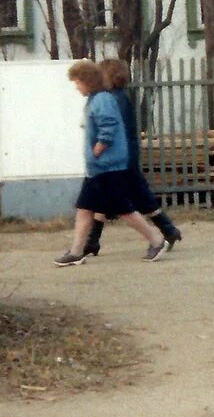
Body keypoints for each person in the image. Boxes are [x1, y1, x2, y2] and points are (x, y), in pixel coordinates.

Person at [54, 60, 168, 266]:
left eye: (78, 82)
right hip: (99, 168)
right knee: (84, 208)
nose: (76, 87)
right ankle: (76, 251)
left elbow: (109, 126)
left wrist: (98, 149)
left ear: (88, 81)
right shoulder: (96, 99)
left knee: (124, 210)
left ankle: (156, 239)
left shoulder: (102, 100)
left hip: (107, 167)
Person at [80, 58, 183, 257]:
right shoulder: (115, 97)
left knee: (134, 198)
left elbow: (114, 131)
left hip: (121, 159)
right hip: (122, 157)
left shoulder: (114, 99)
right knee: (109, 198)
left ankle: (166, 232)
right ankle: (92, 241)